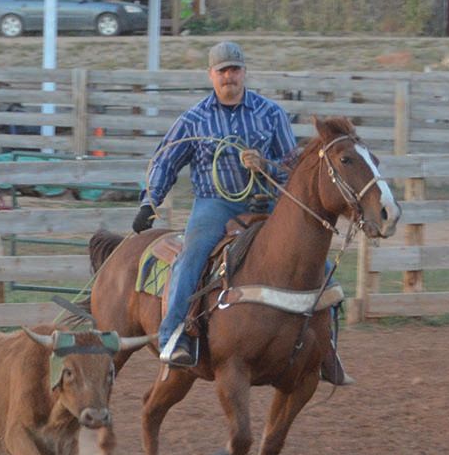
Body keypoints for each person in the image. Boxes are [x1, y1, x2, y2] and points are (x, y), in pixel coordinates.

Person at [135, 39, 329, 376]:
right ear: (211, 74)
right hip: (215, 204)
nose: (229, 77)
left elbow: (291, 168)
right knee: (193, 253)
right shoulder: (193, 120)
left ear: (244, 73)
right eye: (223, 71)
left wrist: (265, 165)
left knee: (318, 262)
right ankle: (173, 334)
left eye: (235, 70)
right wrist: (150, 202)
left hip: (265, 203)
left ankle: (327, 347)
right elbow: (165, 160)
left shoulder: (271, 114)